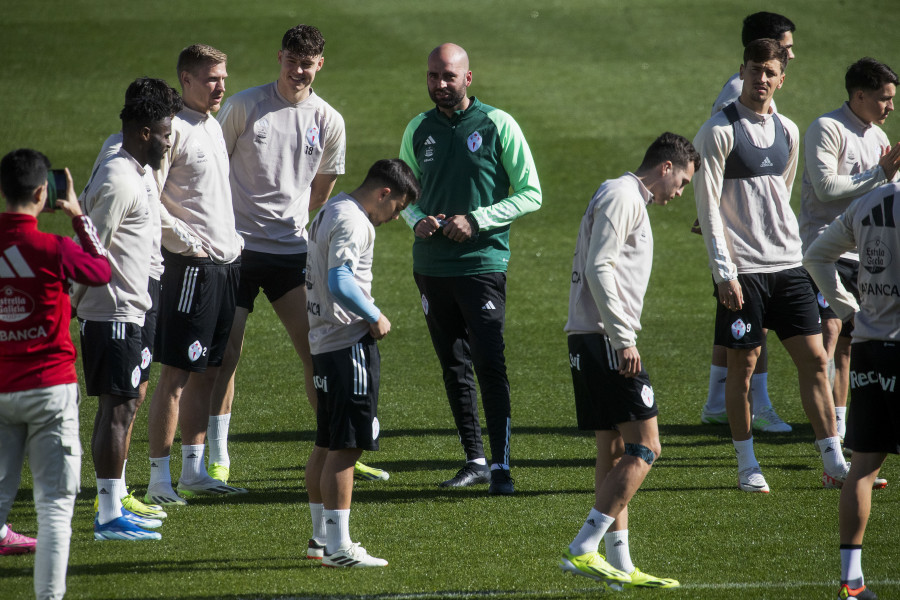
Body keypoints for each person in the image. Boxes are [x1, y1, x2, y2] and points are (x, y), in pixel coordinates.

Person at [214, 24, 384, 484]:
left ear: (320, 65)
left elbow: (321, 190)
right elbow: (213, 167)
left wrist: (284, 216)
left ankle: (338, 445)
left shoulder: (328, 120)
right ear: (279, 58)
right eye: (291, 61)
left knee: (315, 352)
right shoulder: (245, 105)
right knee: (227, 353)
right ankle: (217, 456)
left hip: (292, 250)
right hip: (238, 249)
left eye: (307, 63)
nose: (298, 71)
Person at [693, 39, 849, 493]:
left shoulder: (789, 131)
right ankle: (746, 465)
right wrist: (725, 273)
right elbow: (707, 210)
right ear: (741, 71)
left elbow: (779, 195)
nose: (762, 79)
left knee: (817, 360)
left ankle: (833, 461)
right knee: (743, 367)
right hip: (744, 273)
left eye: (770, 72)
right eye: (755, 69)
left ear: (782, 78)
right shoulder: (718, 131)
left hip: (788, 265)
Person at [399, 43, 542, 494]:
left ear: (468, 78)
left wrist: (478, 219)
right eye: (432, 76)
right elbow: (403, 192)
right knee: (453, 366)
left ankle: (501, 466)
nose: (440, 85)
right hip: (430, 267)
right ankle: (474, 460)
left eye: (448, 76)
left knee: (488, 362)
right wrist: (415, 218)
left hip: (482, 264)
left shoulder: (498, 124)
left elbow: (531, 192)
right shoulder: (418, 128)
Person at [560, 133, 698, 590]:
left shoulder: (615, 192)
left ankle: (619, 561)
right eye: (681, 182)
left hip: (590, 336)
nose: (678, 194)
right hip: (605, 338)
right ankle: (584, 547)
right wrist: (623, 337)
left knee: (614, 448)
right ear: (665, 167)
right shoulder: (624, 196)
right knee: (647, 447)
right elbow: (601, 267)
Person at [0, 149, 110, 597]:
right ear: (45, 192)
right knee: (54, 510)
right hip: (50, 389)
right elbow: (101, 269)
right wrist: (79, 217)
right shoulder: (54, 247)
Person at [303, 159, 420, 567]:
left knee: (326, 441)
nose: (396, 217)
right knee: (348, 447)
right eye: (398, 207)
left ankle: (320, 540)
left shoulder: (330, 209)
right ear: (384, 193)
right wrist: (373, 314)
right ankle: (339, 547)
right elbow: (340, 281)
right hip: (346, 342)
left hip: (322, 341)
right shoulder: (355, 222)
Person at [145, 43, 247, 506]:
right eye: (210, 78)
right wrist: (187, 242)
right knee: (176, 374)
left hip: (225, 266)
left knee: (210, 366)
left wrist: (231, 242)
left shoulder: (211, 125)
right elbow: (150, 198)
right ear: (185, 80)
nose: (220, 85)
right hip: (191, 268)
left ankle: (194, 471)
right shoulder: (175, 132)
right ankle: (158, 479)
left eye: (223, 77)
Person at [87, 77, 187, 522]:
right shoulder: (119, 179)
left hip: (138, 299)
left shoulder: (136, 166)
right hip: (116, 308)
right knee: (118, 404)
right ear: (146, 132)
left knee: (128, 399)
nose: (171, 141)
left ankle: (116, 495)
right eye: (166, 133)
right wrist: (78, 304)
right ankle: (108, 511)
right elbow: (91, 248)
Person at [700, 11, 796, 434]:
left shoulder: (763, 101)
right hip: (741, 237)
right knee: (749, 329)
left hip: (751, 231)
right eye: (786, 47)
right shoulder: (734, 98)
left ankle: (717, 402)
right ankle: (756, 405)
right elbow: (725, 164)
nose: (793, 53)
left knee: (736, 327)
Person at [803, 181, 900, 600]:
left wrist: (847, 310)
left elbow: (816, 256)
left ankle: (852, 582)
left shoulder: (868, 201)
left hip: (867, 347)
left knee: (863, 464)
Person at [799, 58, 900, 453]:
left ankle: (842, 428)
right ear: (859, 95)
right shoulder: (826, 128)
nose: (890, 107)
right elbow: (825, 189)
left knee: (851, 343)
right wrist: (879, 173)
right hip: (826, 246)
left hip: (869, 254)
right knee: (832, 332)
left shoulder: (877, 137)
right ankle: (828, 438)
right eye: (883, 99)